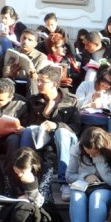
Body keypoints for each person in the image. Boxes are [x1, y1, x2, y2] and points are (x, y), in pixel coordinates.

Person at [20, 66, 80, 200]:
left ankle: (64, 182)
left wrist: (56, 124)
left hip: (65, 137)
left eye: (42, 81)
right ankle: (23, 171)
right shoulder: (34, 100)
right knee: (29, 131)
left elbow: (76, 127)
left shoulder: (71, 100)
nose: (39, 84)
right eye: (38, 81)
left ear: (54, 84)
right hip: (43, 137)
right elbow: (28, 123)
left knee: (61, 133)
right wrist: (44, 115)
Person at [2, 29, 48, 94]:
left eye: (30, 40)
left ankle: (31, 103)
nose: (25, 41)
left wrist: (33, 74)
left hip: (30, 86)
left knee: (32, 82)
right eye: (24, 38)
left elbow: (40, 79)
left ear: (35, 44)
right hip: (14, 83)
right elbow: (5, 74)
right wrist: (11, 73)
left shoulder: (41, 57)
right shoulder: (13, 53)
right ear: (20, 39)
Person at [76, 65, 111, 130]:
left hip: (102, 121)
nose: (106, 85)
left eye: (110, 83)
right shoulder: (85, 85)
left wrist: (102, 106)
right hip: (84, 118)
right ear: (99, 77)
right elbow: (78, 104)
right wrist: (92, 99)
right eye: (104, 80)